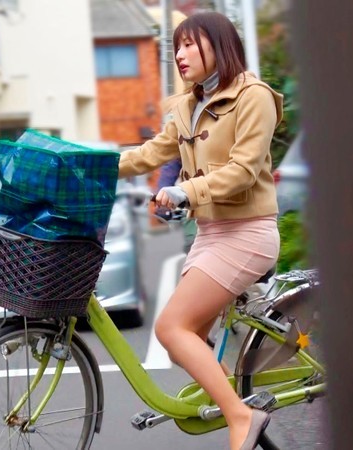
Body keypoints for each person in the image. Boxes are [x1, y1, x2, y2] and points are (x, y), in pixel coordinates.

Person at [117, 12, 283, 450]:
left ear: (220, 46)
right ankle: (243, 405)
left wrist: (185, 191)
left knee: (171, 328)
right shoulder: (188, 105)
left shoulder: (253, 96)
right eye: (177, 46)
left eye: (190, 44)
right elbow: (152, 152)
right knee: (182, 341)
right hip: (211, 235)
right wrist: (94, 167)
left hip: (248, 233)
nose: (180, 54)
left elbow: (244, 171)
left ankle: (241, 418)